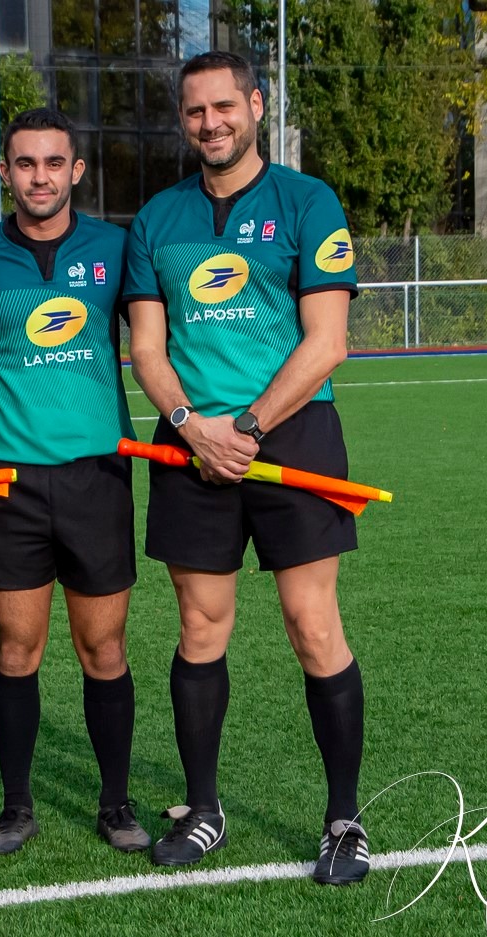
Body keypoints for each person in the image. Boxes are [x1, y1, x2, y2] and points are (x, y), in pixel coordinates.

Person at [123, 51, 370, 884]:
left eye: (224, 107)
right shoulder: (157, 219)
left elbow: (327, 341)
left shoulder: (307, 202)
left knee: (313, 627)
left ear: (256, 106)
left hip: (293, 434)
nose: (210, 124)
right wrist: (196, 428)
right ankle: (204, 809)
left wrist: (252, 427)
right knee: (200, 630)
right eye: (195, 112)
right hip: (191, 444)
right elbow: (147, 351)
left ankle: (344, 818)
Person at [0, 108, 148, 855]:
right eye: (25, 164)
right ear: (6, 171)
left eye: (53, 163)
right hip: (9, 480)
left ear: (77, 171)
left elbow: (168, 337)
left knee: (105, 651)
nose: (40, 177)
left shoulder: (116, 250)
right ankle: (17, 806)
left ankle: (117, 803)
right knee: (14, 650)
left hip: (97, 474)